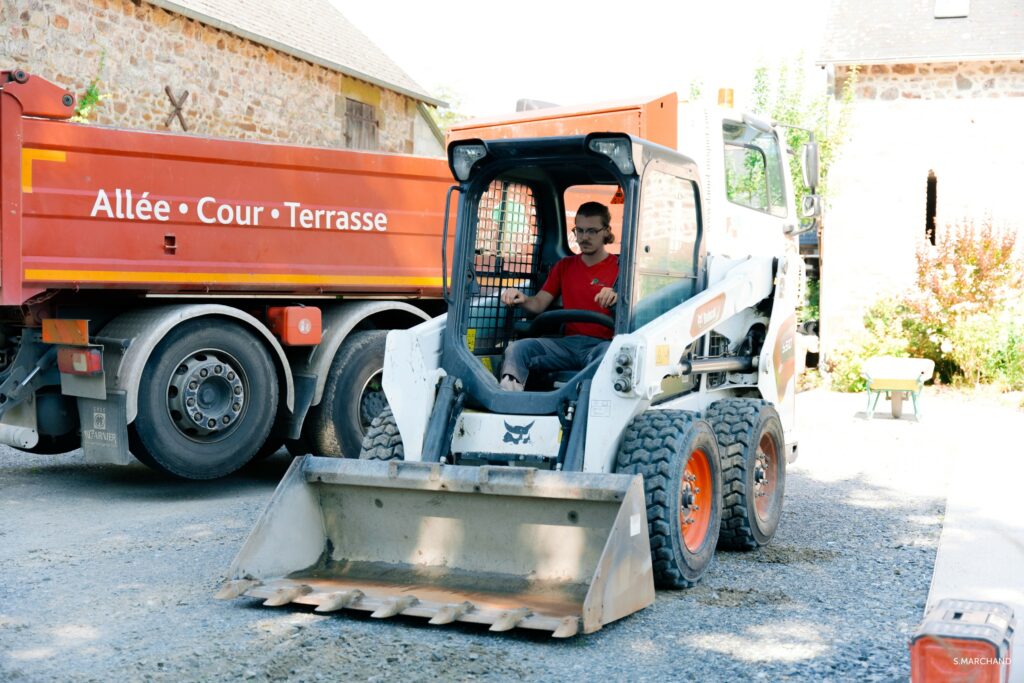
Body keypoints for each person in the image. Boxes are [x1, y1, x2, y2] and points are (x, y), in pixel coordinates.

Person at [498, 201, 618, 391]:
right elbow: (538, 304)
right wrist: (521, 298)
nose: (584, 237)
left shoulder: (620, 268)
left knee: (611, 357)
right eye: (579, 230)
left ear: (606, 231)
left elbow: (635, 309)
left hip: (601, 345)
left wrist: (616, 297)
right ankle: (510, 400)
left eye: (592, 231)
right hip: (567, 345)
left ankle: (580, 397)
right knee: (517, 349)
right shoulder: (564, 266)